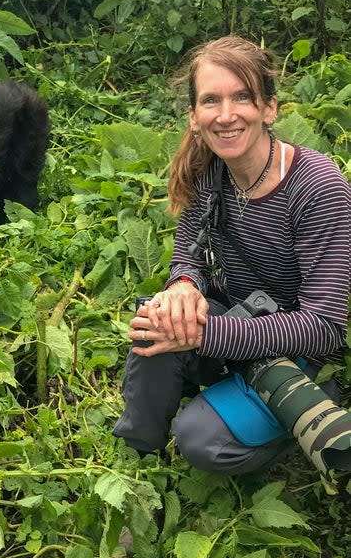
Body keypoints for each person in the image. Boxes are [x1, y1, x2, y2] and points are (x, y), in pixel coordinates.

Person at [112, 35, 351, 475]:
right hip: (238, 316)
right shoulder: (211, 171)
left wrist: (205, 337)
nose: (226, 115)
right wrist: (183, 285)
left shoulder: (317, 187)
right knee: (156, 321)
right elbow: (189, 250)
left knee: (199, 439)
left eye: (242, 97)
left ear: (269, 108)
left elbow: (325, 327)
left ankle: (295, 418)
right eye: (210, 101)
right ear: (194, 116)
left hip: (299, 351)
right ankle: (137, 459)